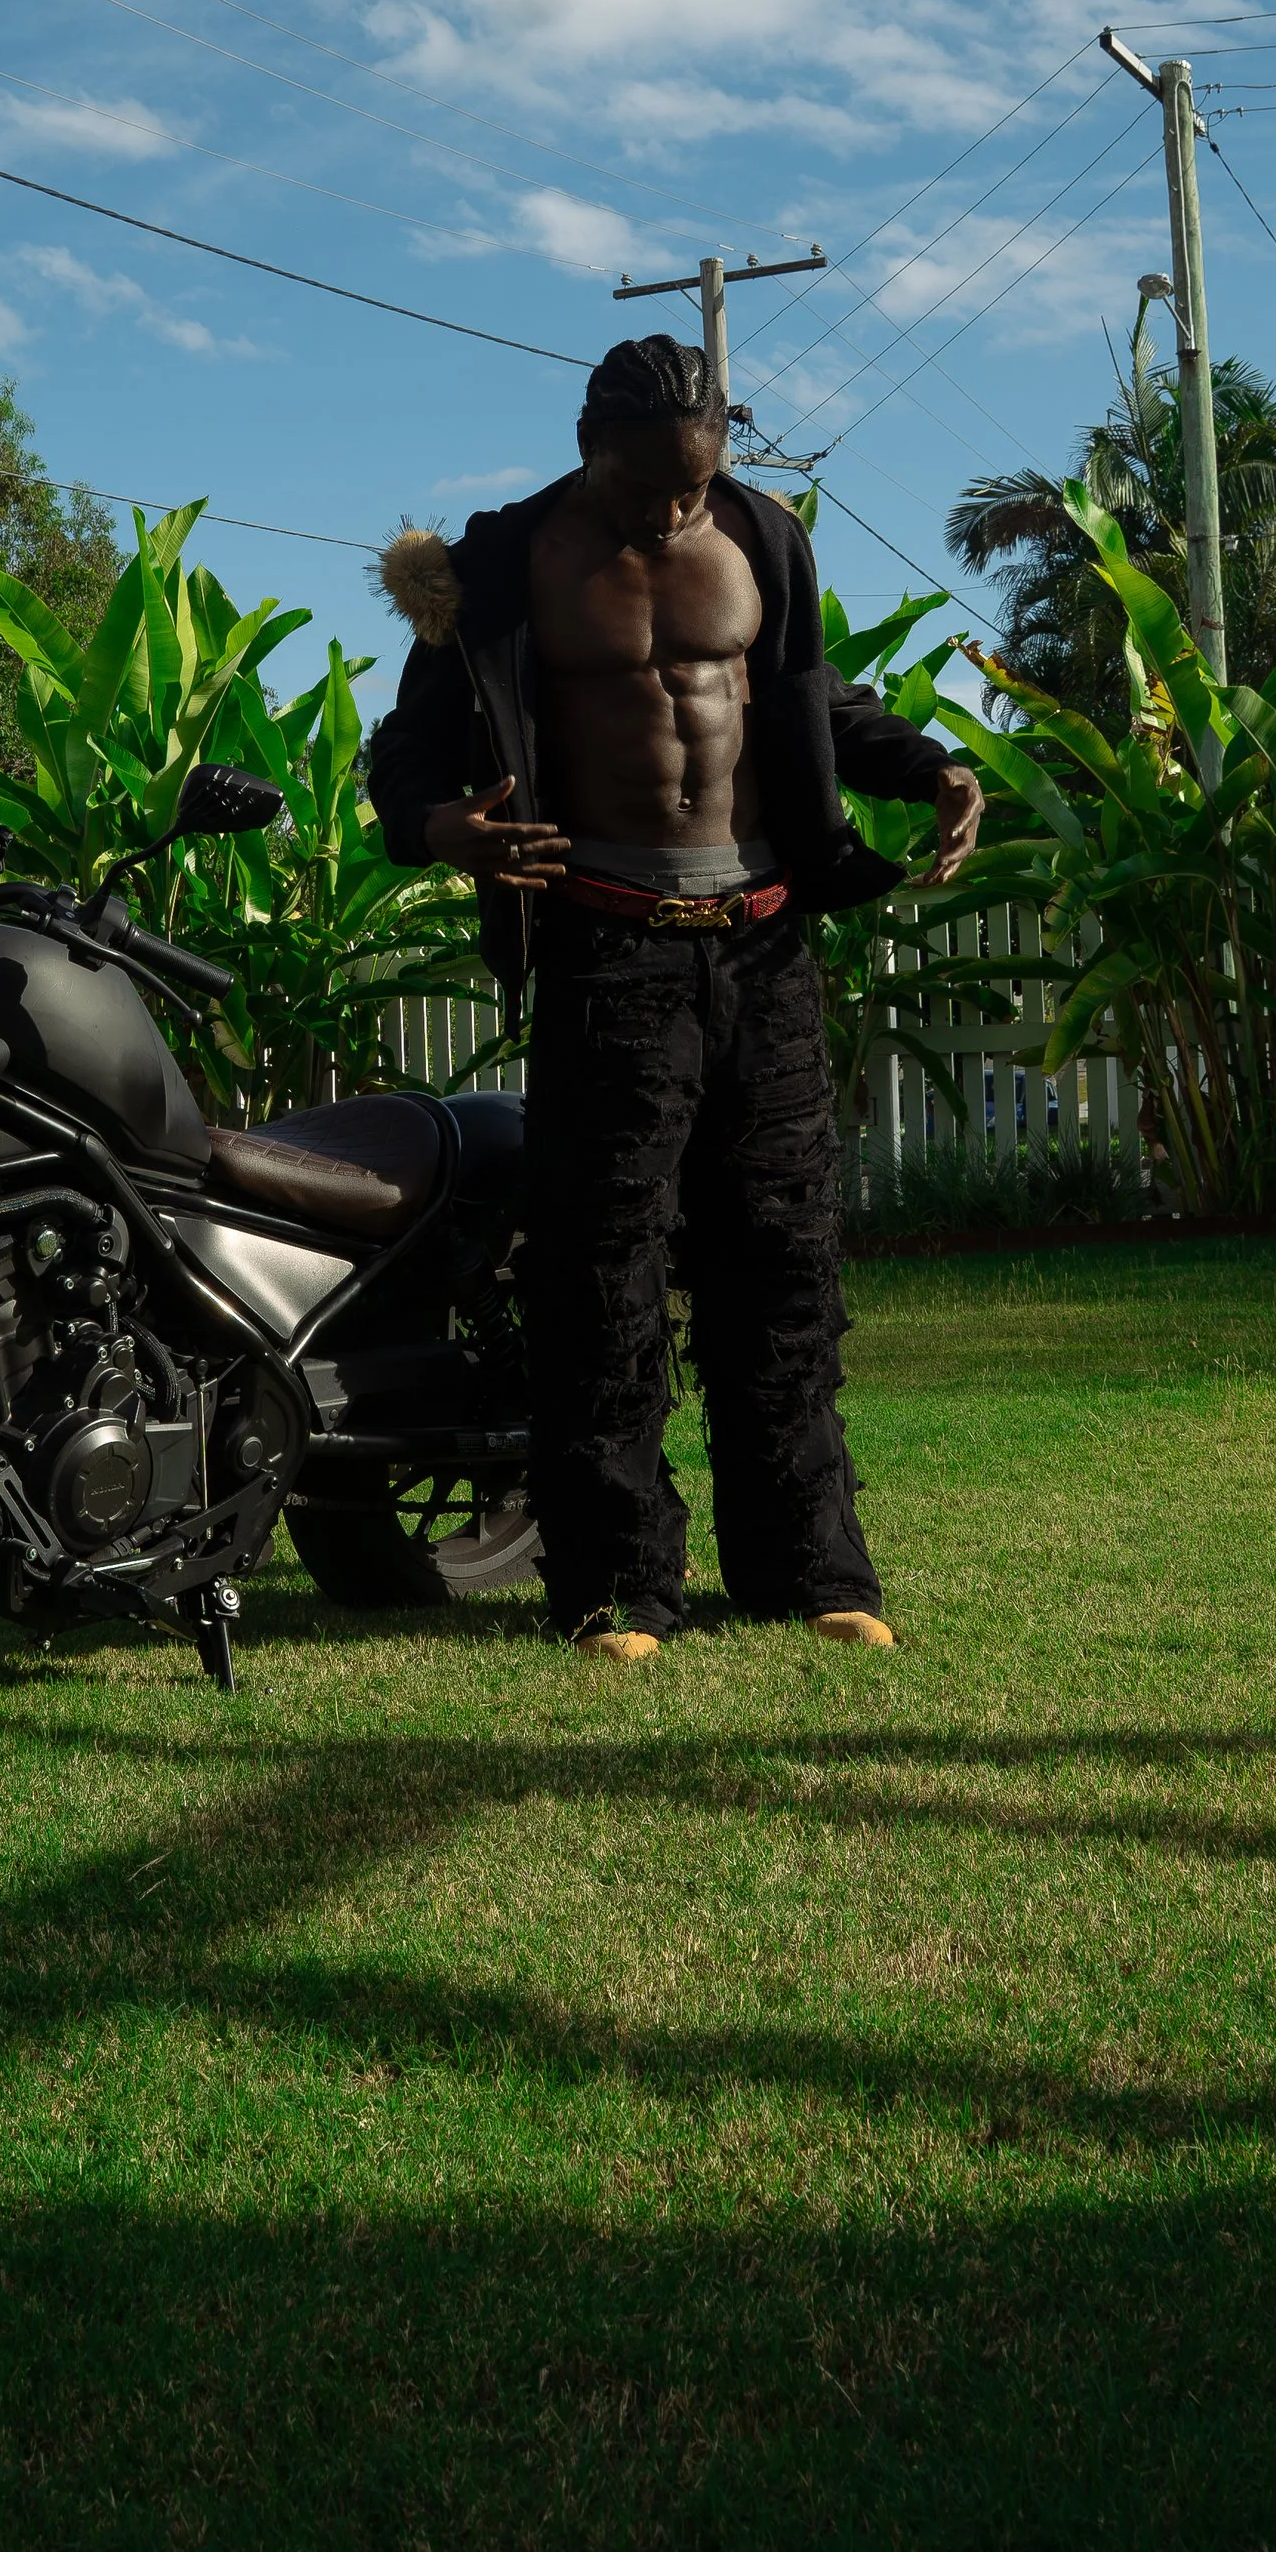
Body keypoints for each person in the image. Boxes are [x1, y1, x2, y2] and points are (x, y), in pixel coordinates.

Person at [369, 332, 982, 1663]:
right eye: (649, 488)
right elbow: (402, 763)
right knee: (605, 1281)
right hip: (611, 952)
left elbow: (814, 706)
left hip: (763, 949)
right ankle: (615, 1588)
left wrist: (928, 765)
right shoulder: (498, 569)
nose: (672, 512)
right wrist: (442, 833)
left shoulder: (763, 536)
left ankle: (808, 1566)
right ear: (591, 447)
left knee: (783, 1271)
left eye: (694, 486)